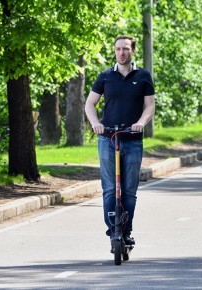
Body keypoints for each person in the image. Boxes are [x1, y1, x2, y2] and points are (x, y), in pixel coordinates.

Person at [84, 35, 155, 248]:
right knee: (109, 189)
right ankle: (113, 230)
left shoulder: (143, 76)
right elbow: (90, 104)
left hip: (132, 140)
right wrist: (96, 123)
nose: (121, 53)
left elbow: (150, 106)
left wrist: (141, 122)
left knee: (129, 190)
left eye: (125, 49)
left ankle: (126, 230)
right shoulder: (105, 76)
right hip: (108, 139)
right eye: (118, 49)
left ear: (132, 50)